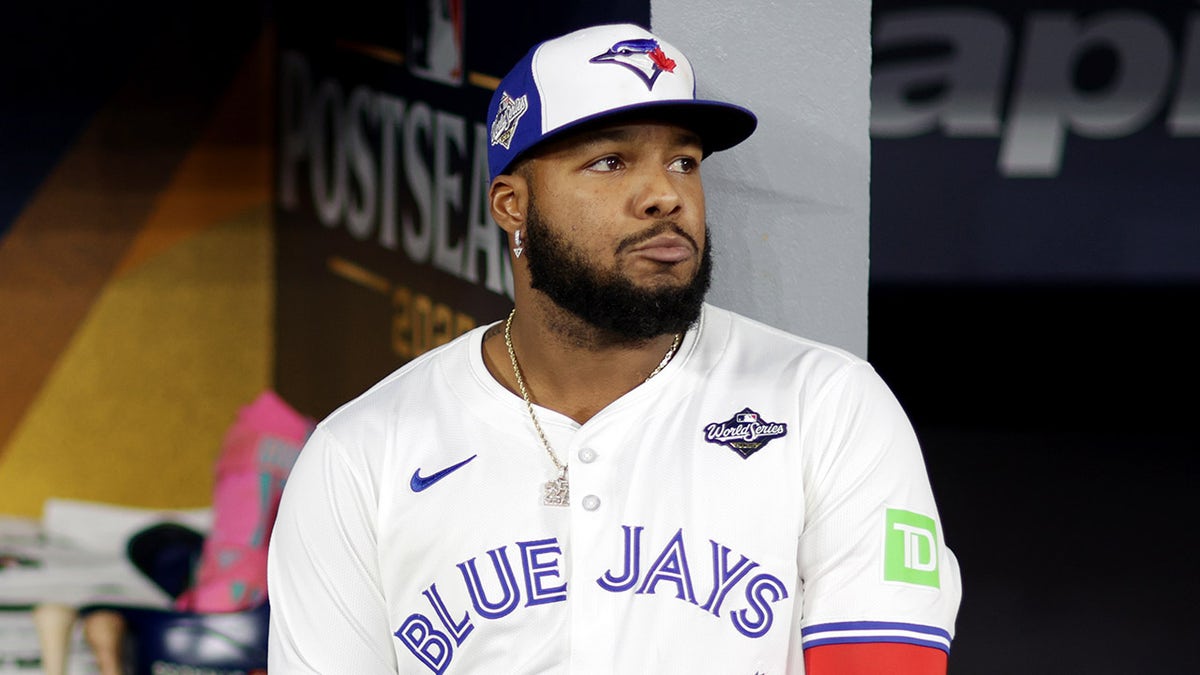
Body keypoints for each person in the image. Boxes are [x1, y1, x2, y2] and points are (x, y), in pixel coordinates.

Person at [267, 22, 961, 674]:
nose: (664, 194)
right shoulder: (362, 453)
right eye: (610, 161)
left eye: (684, 161)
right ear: (512, 203)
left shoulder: (827, 404)